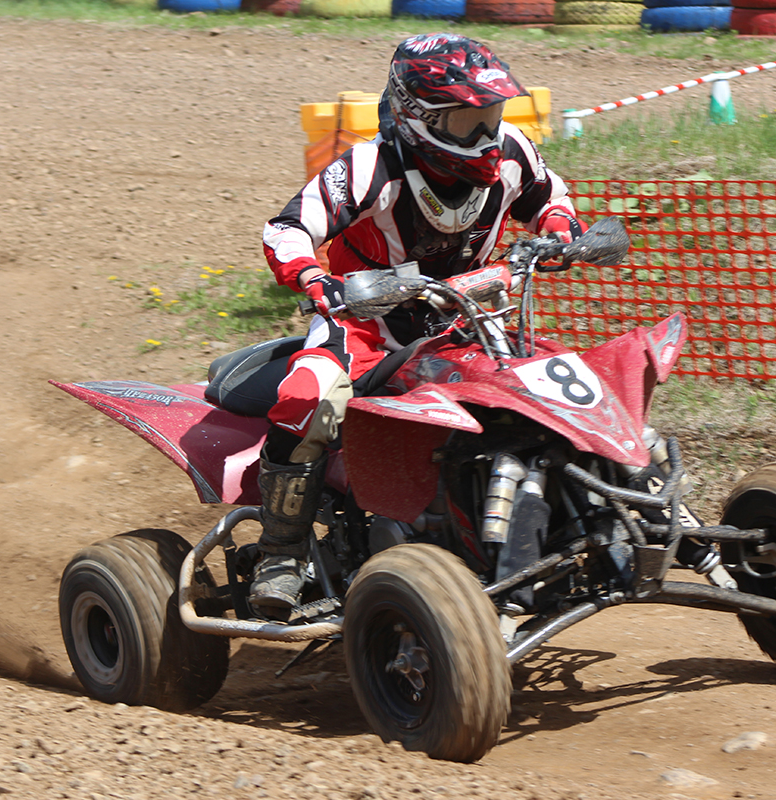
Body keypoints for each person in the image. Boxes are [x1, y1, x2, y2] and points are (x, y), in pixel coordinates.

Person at [246, 33, 584, 618]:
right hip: (366, 323)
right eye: (466, 121)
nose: (485, 135)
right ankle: (281, 553)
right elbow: (287, 229)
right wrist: (314, 278)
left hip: (470, 319)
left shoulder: (512, 151)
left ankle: (583, 511)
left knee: (551, 384)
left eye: (491, 116)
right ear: (416, 116)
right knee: (311, 397)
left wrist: (560, 231)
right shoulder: (368, 167)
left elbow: (549, 197)